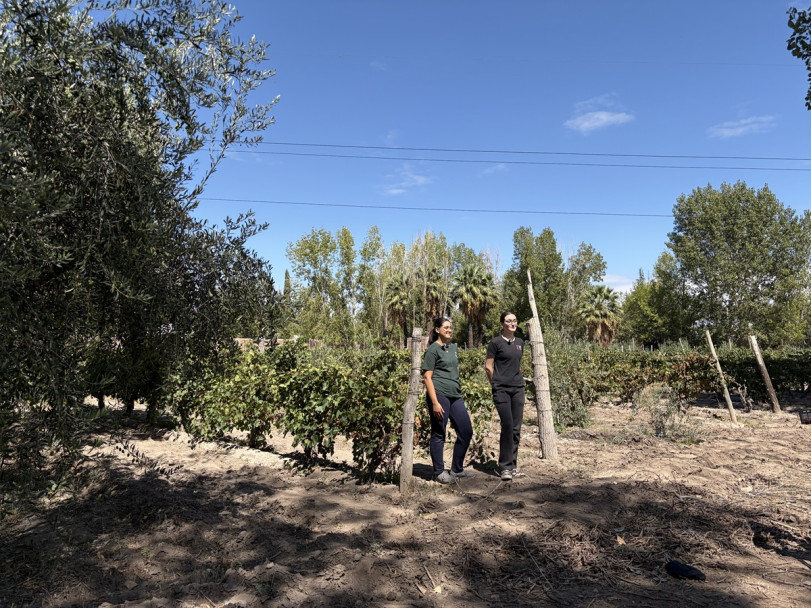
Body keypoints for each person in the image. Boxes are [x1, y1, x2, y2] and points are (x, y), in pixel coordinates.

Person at [421, 316, 475, 483]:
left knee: (466, 432)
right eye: (446, 327)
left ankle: (457, 469)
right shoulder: (433, 350)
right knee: (439, 433)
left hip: (455, 395)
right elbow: (427, 377)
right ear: (437, 330)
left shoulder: (453, 348)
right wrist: (435, 402)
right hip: (440, 395)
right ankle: (439, 472)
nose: (449, 330)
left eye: (451, 327)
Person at [485, 312, 526, 481]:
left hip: (518, 388)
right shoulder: (495, 343)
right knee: (507, 425)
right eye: (508, 321)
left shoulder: (520, 343)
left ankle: (513, 465)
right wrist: (496, 383)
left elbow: (516, 365)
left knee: (516, 428)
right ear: (502, 324)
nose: (512, 323)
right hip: (501, 389)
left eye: (514, 320)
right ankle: (504, 467)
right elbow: (488, 366)